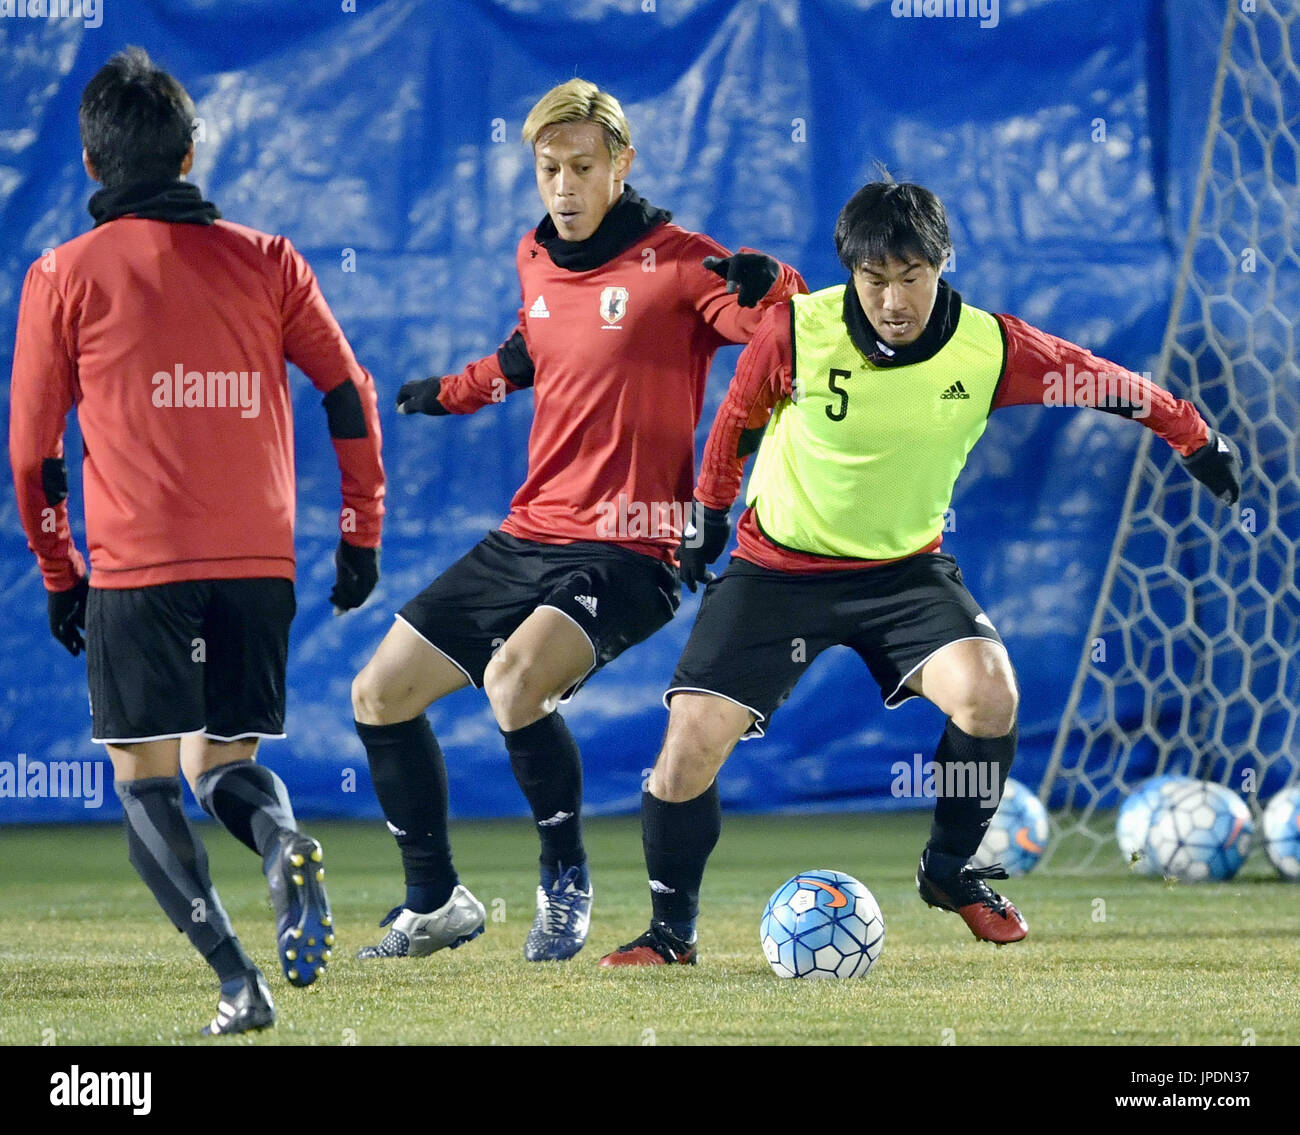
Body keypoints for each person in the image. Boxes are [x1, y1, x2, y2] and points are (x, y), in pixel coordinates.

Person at [598, 178, 1242, 966]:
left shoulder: (990, 346)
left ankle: (949, 868)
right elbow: (738, 421)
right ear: (851, 274)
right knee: (686, 747)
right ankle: (671, 933)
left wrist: (1193, 436)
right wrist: (708, 514)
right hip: (775, 570)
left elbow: (1100, 378)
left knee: (989, 693)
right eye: (874, 279)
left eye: (911, 276)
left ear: (943, 263)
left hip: (905, 573)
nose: (893, 298)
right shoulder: (795, 331)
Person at [350, 77, 806, 964]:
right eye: (548, 168)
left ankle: (564, 879)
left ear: (621, 164)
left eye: (582, 166)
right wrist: (450, 393)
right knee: (378, 692)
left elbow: (778, 330)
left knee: (516, 681)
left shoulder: (680, 262)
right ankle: (435, 899)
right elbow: (528, 353)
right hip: (530, 533)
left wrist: (774, 280)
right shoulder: (533, 256)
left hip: (633, 548)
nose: (563, 185)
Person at [8, 48, 386, 1034]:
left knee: (142, 781)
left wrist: (61, 573)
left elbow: (31, 456)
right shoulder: (270, 260)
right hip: (258, 568)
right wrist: (361, 532)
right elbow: (347, 393)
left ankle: (237, 981)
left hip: (137, 572)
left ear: (91, 165)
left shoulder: (60, 275)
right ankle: (279, 841)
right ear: (187, 154)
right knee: (221, 765)